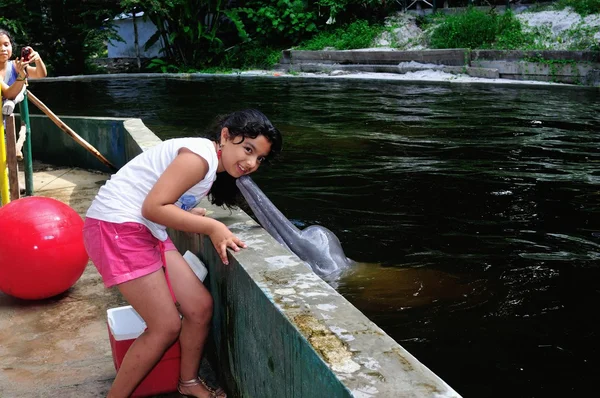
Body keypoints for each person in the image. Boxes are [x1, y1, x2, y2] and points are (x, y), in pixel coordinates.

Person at [83, 109, 282, 398]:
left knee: (199, 307)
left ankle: (187, 382)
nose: (251, 163)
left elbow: (161, 200)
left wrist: (188, 211)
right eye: (248, 149)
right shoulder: (198, 159)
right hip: (117, 228)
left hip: (144, 230)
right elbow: (153, 207)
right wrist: (211, 226)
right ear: (225, 135)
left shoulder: (210, 165)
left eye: (259, 158)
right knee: (164, 327)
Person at [0, 28, 47, 102]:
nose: (3, 49)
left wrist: (38, 60)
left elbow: (40, 74)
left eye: (6, 45)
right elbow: (8, 94)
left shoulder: (15, 65)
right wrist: (21, 76)